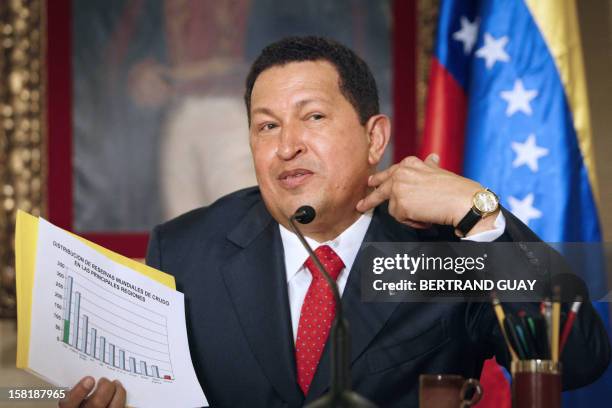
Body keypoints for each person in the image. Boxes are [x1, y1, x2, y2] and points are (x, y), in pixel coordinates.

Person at [60, 36, 611, 408]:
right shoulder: (185, 252)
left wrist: (481, 215)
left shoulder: (447, 250)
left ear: (374, 138)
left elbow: (579, 359)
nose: (287, 146)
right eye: (266, 127)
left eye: (313, 118)